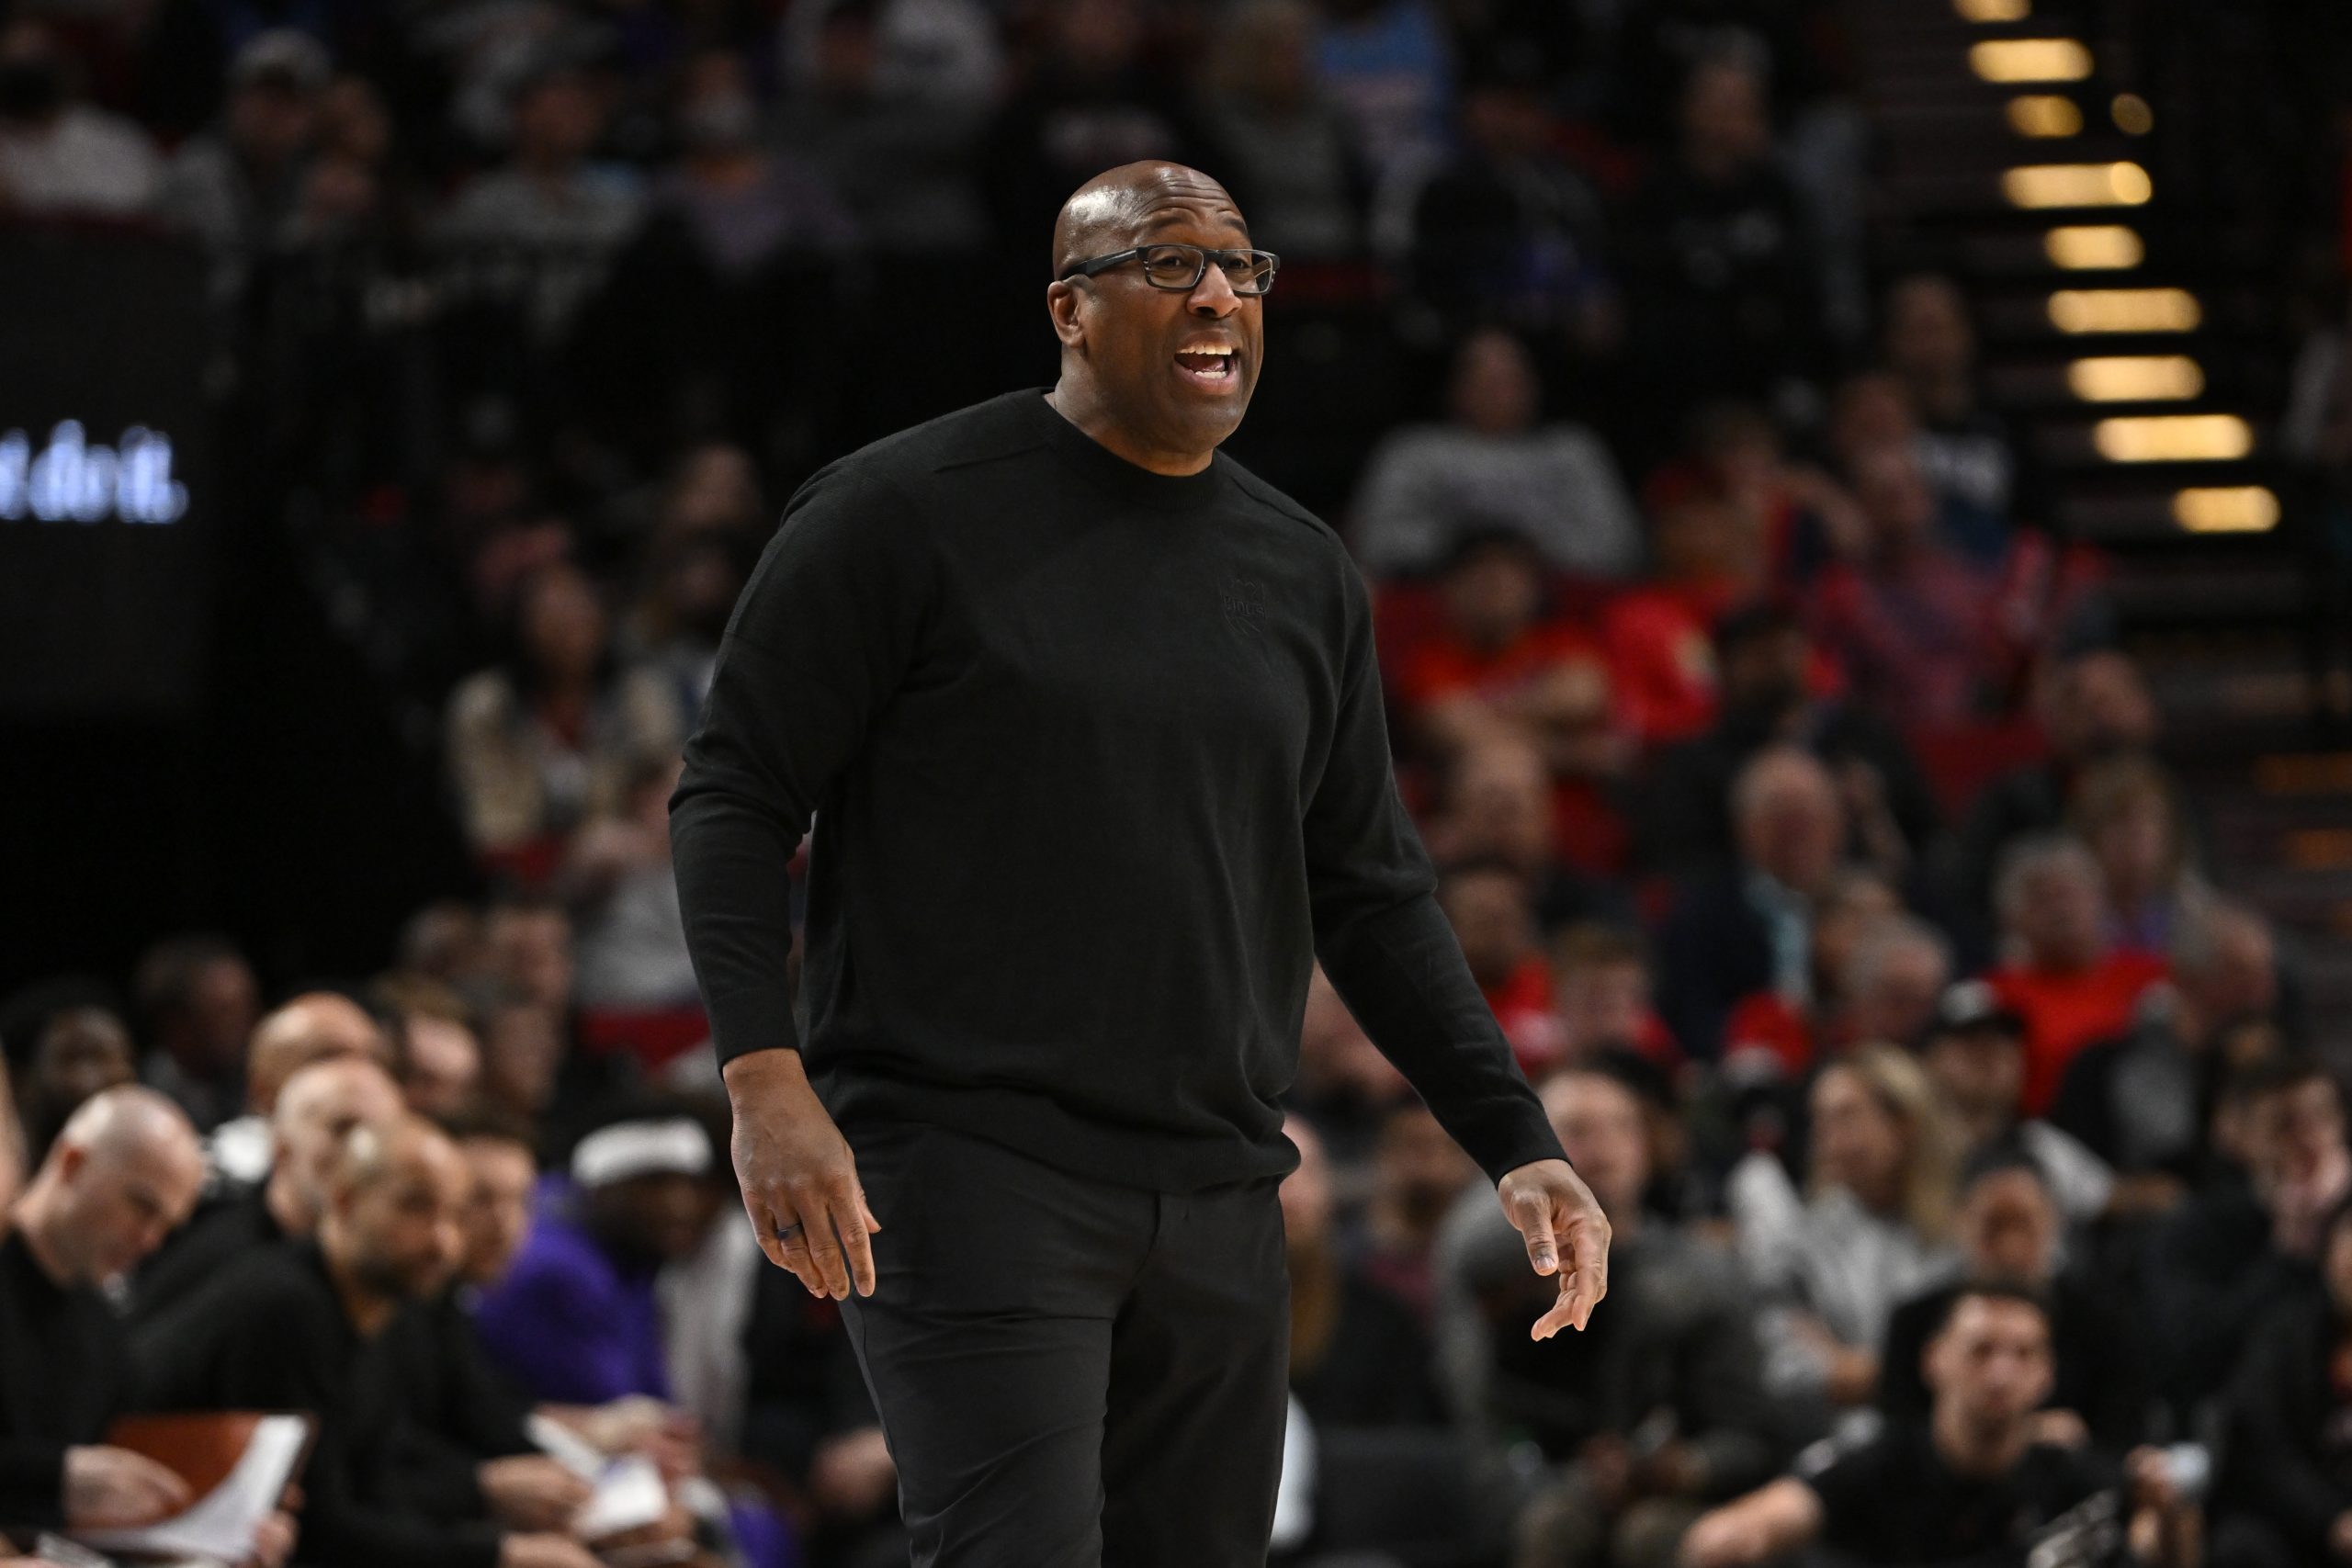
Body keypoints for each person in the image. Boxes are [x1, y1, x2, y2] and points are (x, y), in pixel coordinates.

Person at [668, 160, 1606, 1568]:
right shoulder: (900, 510)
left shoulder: (1300, 570)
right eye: (1170, 264)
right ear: (1069, 309)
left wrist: (1516, 1136)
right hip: (964, 1156)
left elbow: (1371, 885)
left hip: (1219, 1181)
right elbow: (733, 791)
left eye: (1241, 265)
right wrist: (761, 1072)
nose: (1221, 289)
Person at [134, 1115, 611, 1568]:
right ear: (343, 1200)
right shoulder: (286, 1308)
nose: (443, 1242)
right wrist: (496, 1556)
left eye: (454, 1215)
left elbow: (379, 1481)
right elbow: (320, 1530)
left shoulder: (385, 1307)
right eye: (416, 1207)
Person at [1438, 1067, 1776, 1568]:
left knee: (1648, 1535)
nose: (1604, 1147)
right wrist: (1571, 1485)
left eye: (1623, 1127)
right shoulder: (1495, 1271)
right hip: (1543, 1490)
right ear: (1534, 1149)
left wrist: (1683, 1469)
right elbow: (1482, 1422)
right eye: (1578, 1130)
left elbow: (1753, 1435)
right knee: (1557, 1524)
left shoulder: (1703, 1273)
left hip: (1683, 1494)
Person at [1679, 1284, 2190, 1567]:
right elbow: (1752, 1524)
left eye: (2023, 1354)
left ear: (2047, 1375)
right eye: (1981, 1349)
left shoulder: (2077, 1479)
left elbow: (2160, 1548)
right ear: (1934, 1360)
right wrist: (1739, 1535)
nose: (2001, 1373)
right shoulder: (1879, 1459)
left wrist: (2166, 1518)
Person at [0, 1088, 295, 1561]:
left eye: (167, 1225)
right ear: (73, 1163)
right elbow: (63, 1479)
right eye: (142, 1206)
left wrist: (231, 1531)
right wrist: (57, 1476)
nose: (150, 1241)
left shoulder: (102, 1329)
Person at [1728, 1046, 1961, 1435]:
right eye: (1820, 1121)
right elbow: (1784, 1366)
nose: (1828, 1140)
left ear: (1904, 1123)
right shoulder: (1801, 1242)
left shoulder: (1962, 1231)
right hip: (1840, 1440)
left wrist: (1864, 1369)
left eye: (1847, 1118)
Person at [1879, 1148, 2148, 1454]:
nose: (2010, 1248)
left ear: (2053, 1221)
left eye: (2024, 1225)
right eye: (1994, 1226)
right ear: (1960, 1222)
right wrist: (2019, 1434)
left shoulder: (2104, 1324)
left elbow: (2125, 1445)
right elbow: (1895, 1441)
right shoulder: (1914, 1322)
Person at [1348, 328, 1641, 579]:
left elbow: (1618, 546)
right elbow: (1373, 543)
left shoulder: (1572, 450)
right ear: (1455, 388)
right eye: (1483, 379)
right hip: (1441, 609)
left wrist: (1529, 549)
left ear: (1533, 387)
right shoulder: (1413, 450)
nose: (1496, 393)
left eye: (1509, 381)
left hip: (1553, 609)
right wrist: (1463, 549)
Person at [131, 1055, 407, 1322]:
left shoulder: (388, 1280)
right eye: (342, 1128)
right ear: (281, 1147)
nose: (362, 1152)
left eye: (380, 1137)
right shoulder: (219, 1264)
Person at [2210, 1198, 2352, 1568]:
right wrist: (2330, 1519)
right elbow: (2257, 1444)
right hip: (2295, 1528)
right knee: (2241, 1545)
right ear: (2327, 1255)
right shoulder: (2283, 1338)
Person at [1985, 835, 2169, 1117]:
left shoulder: (2153, 976)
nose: (2060, 910)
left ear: (2100, 900)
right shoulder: (1995, 996)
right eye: (2041, 899)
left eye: (2070, 894)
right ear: (2012, 917)